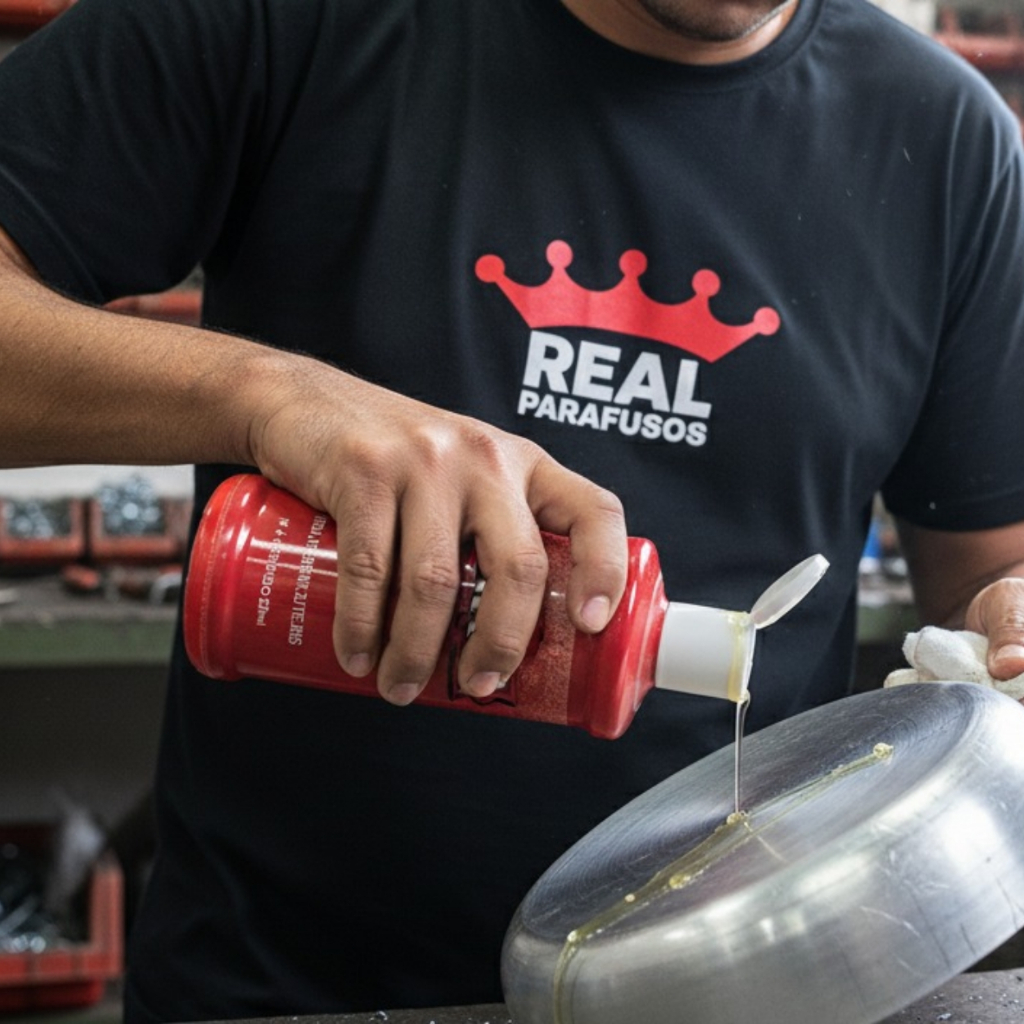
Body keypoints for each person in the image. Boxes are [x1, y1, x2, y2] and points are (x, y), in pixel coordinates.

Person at [0, 0, 1023, 1019]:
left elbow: (984, 567)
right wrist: (267, 397)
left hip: (743, 988)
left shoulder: (947, 142)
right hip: (283, 990)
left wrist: (1004, 621)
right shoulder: (286, 22)